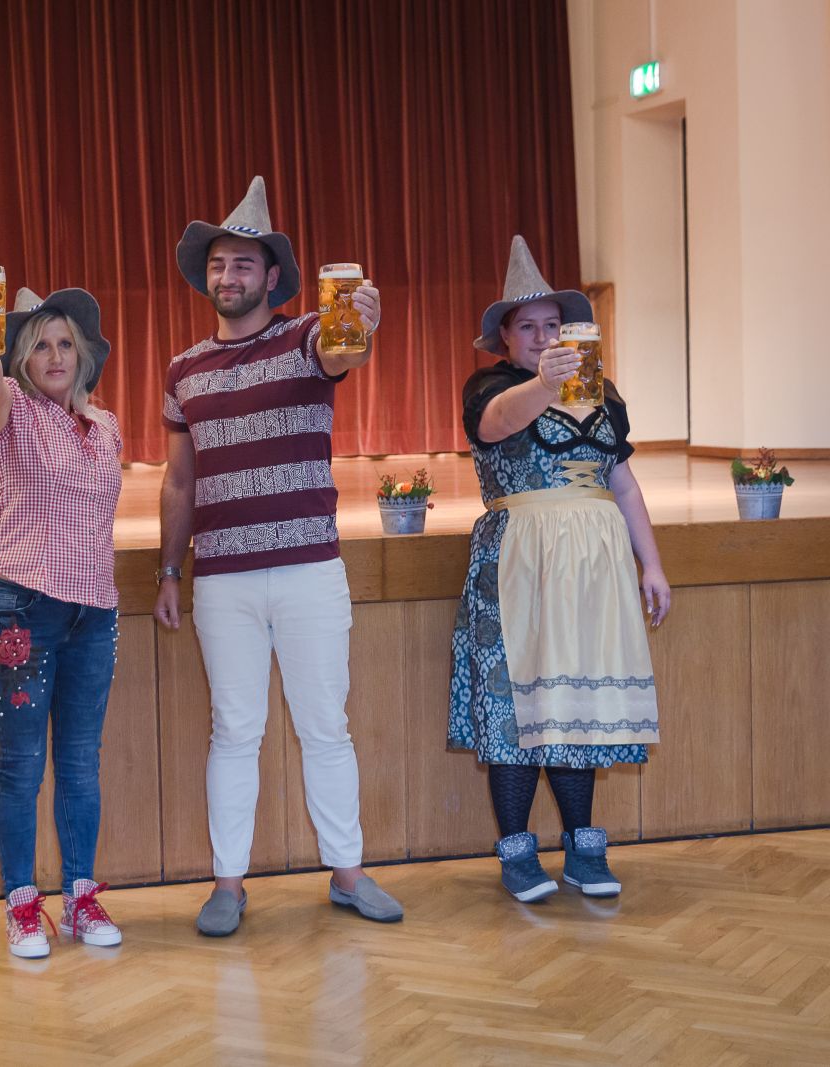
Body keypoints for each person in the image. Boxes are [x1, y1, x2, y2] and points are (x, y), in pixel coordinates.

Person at [153, 177, 404, 934]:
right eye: (218, 264)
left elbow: (342, 349)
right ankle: (227, 884)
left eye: (243, 264)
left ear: (271, 278)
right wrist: (169, 569)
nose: (228, 275)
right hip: (221, 577)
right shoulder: (182, 369)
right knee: (234, 731)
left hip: (308, 568)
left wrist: (360, 324)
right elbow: (179, 480)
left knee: (326, 726)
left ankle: (348, 872)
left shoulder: (305, 339)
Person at [448, 235, 669, 903]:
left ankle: (582, 847)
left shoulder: (603, 393)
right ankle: (518, 852)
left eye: (553, 325)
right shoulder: (491, 386)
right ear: (506, 338)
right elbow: (495, 425)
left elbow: (623, 483)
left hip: (593, 566)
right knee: (519, 707)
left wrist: (651, 563)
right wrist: (546, 384)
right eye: (528, 327)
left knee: (578, 703)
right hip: (520, 559)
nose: (543, 337)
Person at [0, 282, 125, 958]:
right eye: (41, 344)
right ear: (21, 358)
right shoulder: (10, 409)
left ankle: (81, 896)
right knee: (23, 764)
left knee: (81, 761)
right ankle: (22, 903)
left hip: (93, 611)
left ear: (82, 356)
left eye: (65, 344)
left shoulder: (105, 426)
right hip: (21, 606)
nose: (55, 355)